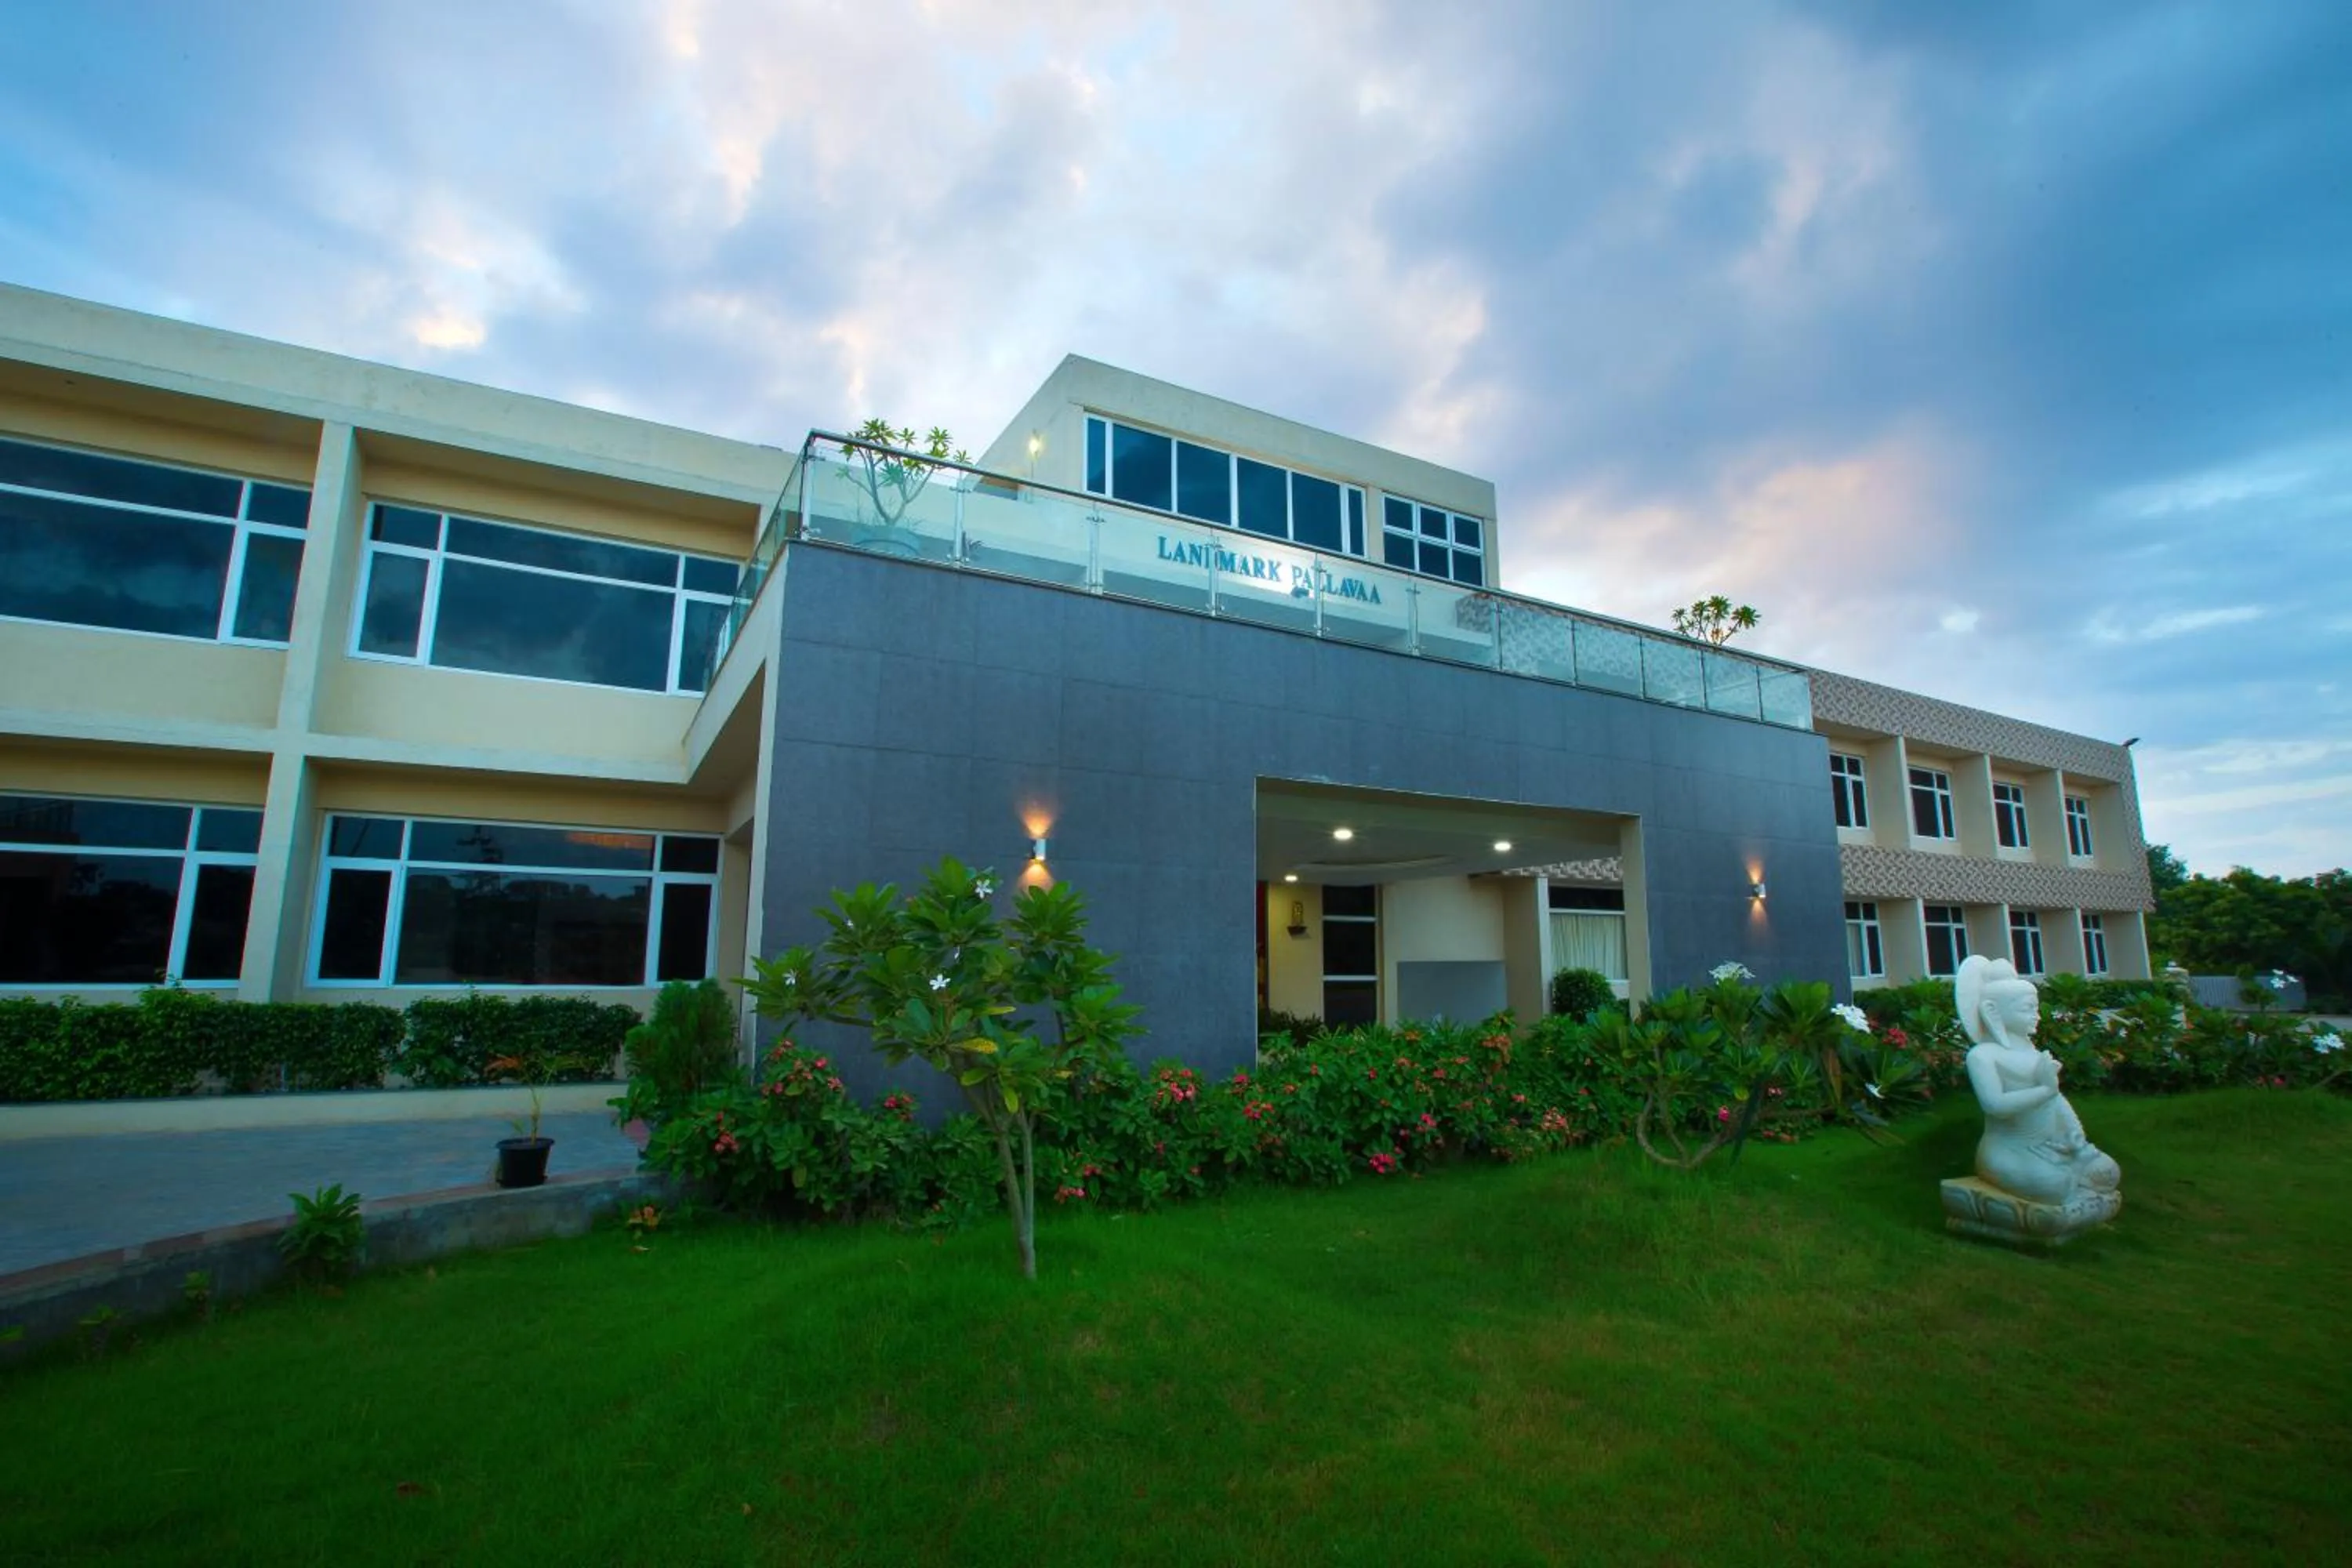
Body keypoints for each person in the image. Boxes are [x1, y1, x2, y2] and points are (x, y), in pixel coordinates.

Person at [1957, 955, 2122, 1207]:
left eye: (2036, 1008)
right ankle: (2057, 1182)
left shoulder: (2031, 1052)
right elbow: (1995, 1105)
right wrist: (2045, 1089)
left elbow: (2056, 1100)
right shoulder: (1983, 1056)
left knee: (2108, 1172)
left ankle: (2066, 1173)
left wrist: (2077, 1140)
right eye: (2027, 1009)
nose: (2037, 1016)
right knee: (2053, 1186)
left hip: (2052, 1145)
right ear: (1992, 1011)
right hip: (2008, 1149)